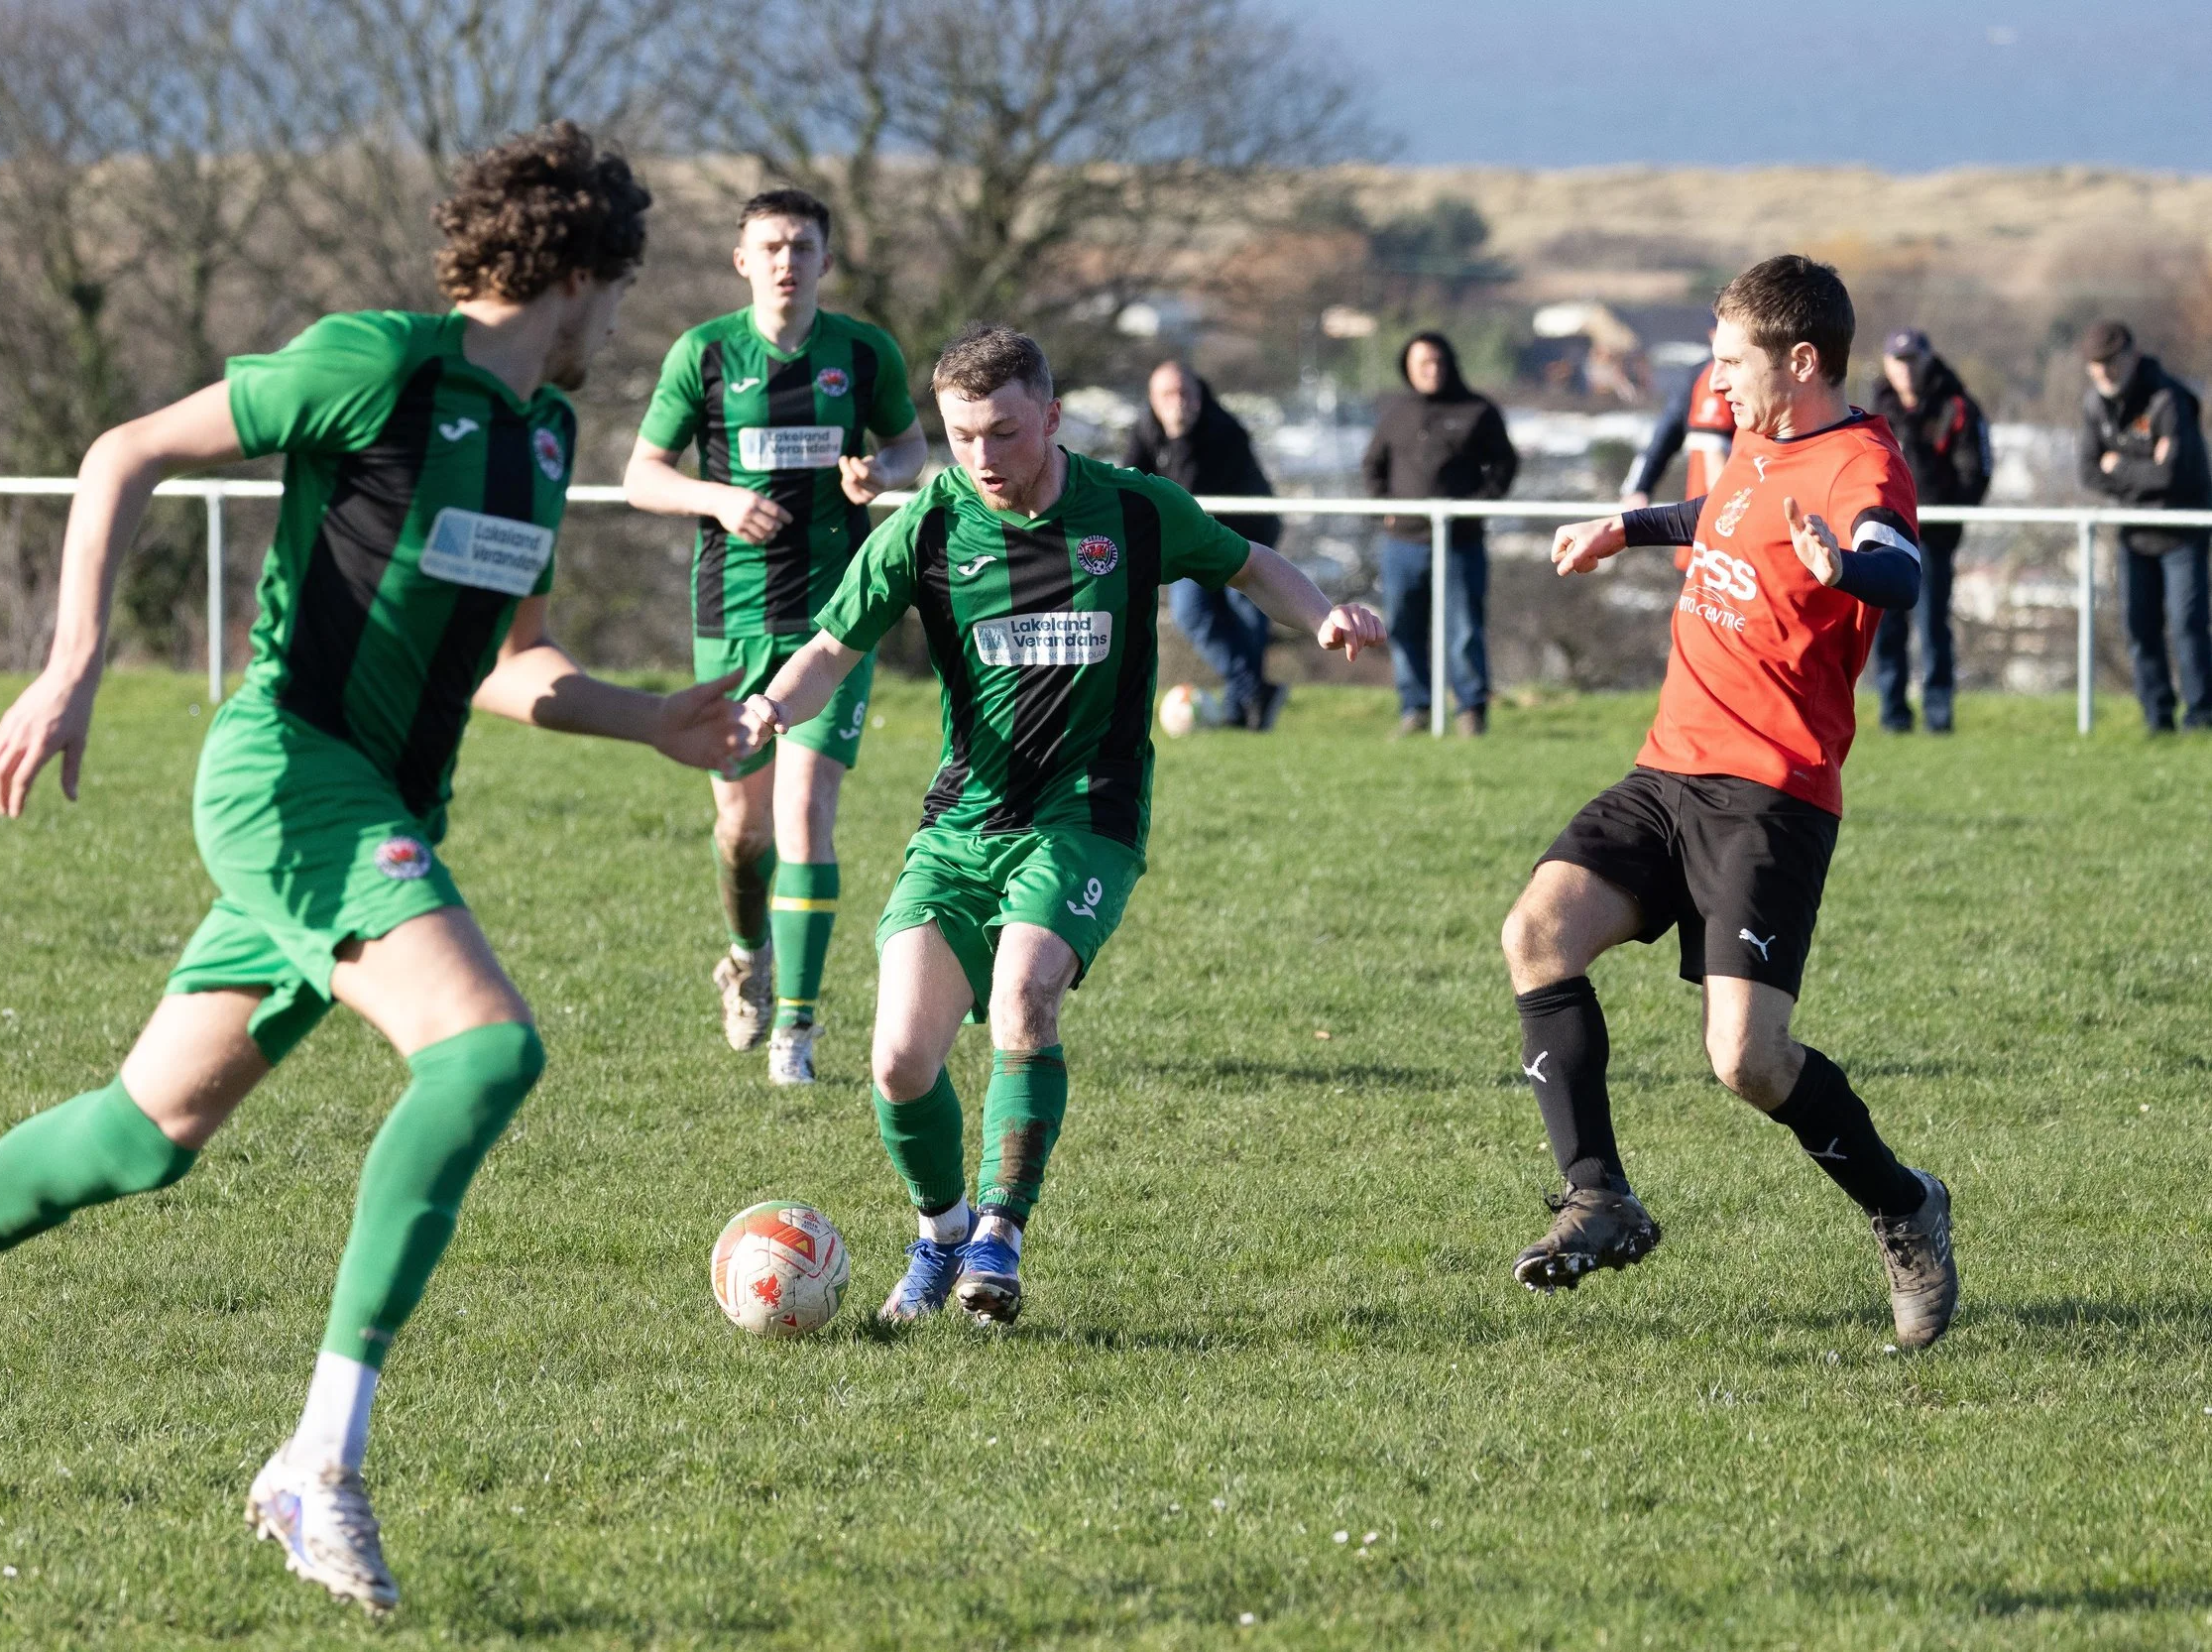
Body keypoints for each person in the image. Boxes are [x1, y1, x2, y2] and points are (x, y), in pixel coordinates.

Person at [0, 124, 746, 1616]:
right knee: (484, 1052)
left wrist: (650, 720)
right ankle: (318, 1460)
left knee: (149, 1128)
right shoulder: (384, 363)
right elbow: (126, 449)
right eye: (623, 294)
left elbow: (513, 663)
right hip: (288, 772)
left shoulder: (543, 441)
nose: (623, 326)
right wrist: (74, 662)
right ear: (581, 271)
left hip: (374, 804)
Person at [738, 322, 1382, 1327]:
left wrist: (1323, 614)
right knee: (898, 1060)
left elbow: (1249, 562)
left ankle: (999, 1232)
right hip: (962, 823)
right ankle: (941, 1233)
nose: (982, 459)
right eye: (961, 437)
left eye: (1002, 432)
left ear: (1050, 415)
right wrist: (770, 707)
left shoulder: (1129, 507)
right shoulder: (926, 526)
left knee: (1025, 995)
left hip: (1087, 813)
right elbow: (832, 643)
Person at [1506, 255, 1957, 1350]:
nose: (1715, 387)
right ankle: (1598, 1193)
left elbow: (1899, 568)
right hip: (1669, 769)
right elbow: (1725, 507)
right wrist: (1627, 526)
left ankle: (1903, 1205)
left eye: (1729, 364)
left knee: (1746, 1062)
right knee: (1536, 934)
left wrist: (1845, 566)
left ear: (1800, 363)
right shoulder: (1765, 440)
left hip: (1771, 799)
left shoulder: (1862, 465)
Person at [624, 189, 927, 1083]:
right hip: (731, 614)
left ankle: (797, 1027)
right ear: (742, 259)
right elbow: (643, 474)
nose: (788, 260)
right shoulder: (705, 354)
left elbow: (913, 448)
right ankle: (746, 956)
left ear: (827, 260)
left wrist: (883, 471)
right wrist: (717, 498)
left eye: (803, 245)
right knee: (741, 827)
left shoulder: (863, 352)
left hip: (834, 613)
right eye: (771, 246)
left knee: (806, 810)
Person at [1361, 332, 1514, 736]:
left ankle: (1470, 710)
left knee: (1464, 629)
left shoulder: (1477, 411)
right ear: (1408, 369)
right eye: (1422, 364)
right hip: (1403, 545)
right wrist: (1386, 509)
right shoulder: (1395, 413)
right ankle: (1415, 708)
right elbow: (1372, 466)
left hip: (1460, 543)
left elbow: (1503, 465)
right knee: (1403, 627)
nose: (1431, 371)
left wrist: (1478, 506)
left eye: (1437, 362)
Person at [1122, 361, 1288, 729]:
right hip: (1195, 543)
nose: (1177, 402)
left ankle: (1239, 711)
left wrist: (1179, 436)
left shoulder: (1225, 431)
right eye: (1167, 394)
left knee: (1246, 622)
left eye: (1185, 393)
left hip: (1247, 540)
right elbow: (1129, 483)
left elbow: (1188, 491)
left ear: (1200, 396)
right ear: (1152, 399)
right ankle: (1255, 691)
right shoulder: (1145, 429)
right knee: (1191, 613)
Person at [2076, 319, 2212, 733]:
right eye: (2094, 365)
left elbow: (2170, 475)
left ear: (2131, 356)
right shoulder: (2095, 405)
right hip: (2133, 531)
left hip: (2182, 530)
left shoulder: (2166, 399)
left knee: (2187, 625)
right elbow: (2088, 473)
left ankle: (2201, 718)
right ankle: (2158, 720)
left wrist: (2119, 466)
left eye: (2110, 363)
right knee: (2139, 625)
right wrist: (2143, 470)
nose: (2103, 373)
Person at [1868, 328, 1990, 734]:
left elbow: (1976, 472)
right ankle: (1893, 716)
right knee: (1886, 629)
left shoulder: (1956, 407)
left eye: (1912, 361)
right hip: (1883, 532)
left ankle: (1939, 718)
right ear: (1887, 364)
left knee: (1932, 626)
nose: (1905, 370)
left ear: (1927, 360)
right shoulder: (1874, 410)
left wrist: (1947, 515)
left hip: (1933, 536)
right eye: (1897, 362)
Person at [1621, 324, 1735, 574]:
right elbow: (1708, 455)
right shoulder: (1713, 378)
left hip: (1715, 544)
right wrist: (1639, 486)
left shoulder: (1707, 372)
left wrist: (1640, 486)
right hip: (1721, 548)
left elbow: (1666, 432)